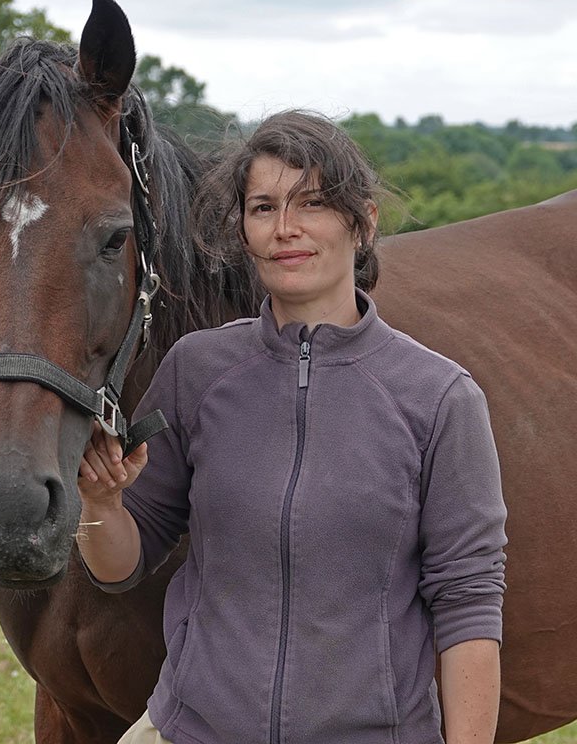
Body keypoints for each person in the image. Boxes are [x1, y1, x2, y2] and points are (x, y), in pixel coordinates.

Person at [76, 110, 507, 744]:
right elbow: (120, 565)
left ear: (363, 222)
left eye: (313, 203)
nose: (285, 228)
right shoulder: (196, 371)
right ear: (243, 231)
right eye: (263, 207)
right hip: (193, 730)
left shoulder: (439, 398)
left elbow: (468, 602)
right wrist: (101, 505)